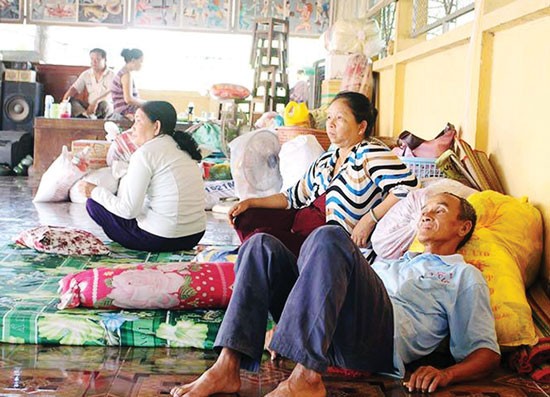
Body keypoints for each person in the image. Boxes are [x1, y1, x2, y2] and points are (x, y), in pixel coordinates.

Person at [170, 192, 501, 397]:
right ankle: (228, 366)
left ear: (463, 228)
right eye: (425, 209)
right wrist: (288, 323)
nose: (427, 214)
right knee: (260, 245)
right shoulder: (392, 260)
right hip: (332, 333)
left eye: (440, 210)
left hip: (378, 342)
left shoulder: (463, 276)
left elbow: (486, 351)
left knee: (330, 237)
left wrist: (446, 374)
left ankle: (307, 377)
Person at [229, 91, 419, 259]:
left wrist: (370, 219)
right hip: (301, 230)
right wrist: (250, 202)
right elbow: (291, 197)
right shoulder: (328, 159)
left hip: (328, 244)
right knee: (248, 218)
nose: (331, 124)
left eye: (340, 119)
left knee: (261, 243)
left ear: (361, 127)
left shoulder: (370, 153)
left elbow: (408, 186)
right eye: (329, 118)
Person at [81, 101, 206, 252]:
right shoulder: (181, 147)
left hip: (162, 239)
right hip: (194, 235)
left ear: (156, 127)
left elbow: (128, 210)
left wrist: (94, 191)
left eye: (138, 121)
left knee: (94, 204)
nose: (133, 127)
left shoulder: (145, 153)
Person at [62, 48, 114, 119]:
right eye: (92, 59)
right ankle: (85, 117)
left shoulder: (112, 75)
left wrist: (96, 101)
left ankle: (88, 118)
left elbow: (111, 93)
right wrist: (64, 102)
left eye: (97, 59)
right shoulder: (86, 74)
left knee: (104, 104)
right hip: (89, 106)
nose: (94, 62)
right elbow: (74, 89)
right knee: (70, 102)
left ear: (105, 59)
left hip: (104, 107)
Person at [111, 48, 146, 121]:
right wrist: (146, 103)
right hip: (124, 115)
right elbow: (129, 99)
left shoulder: (123, 72)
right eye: (141, 61)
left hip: (122, 113)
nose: (142, 65)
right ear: (133, 60)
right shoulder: (126, 75)